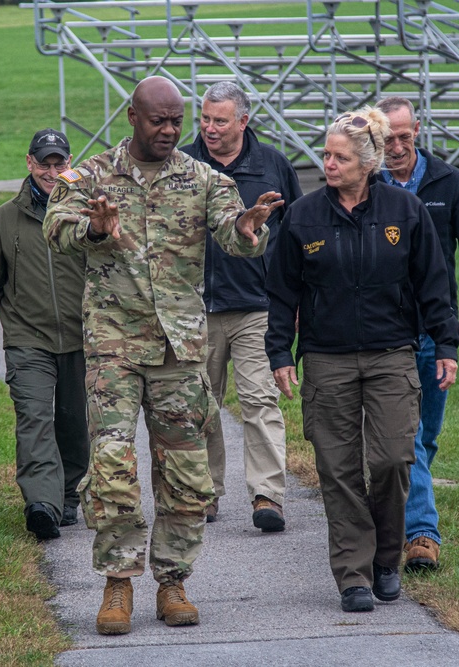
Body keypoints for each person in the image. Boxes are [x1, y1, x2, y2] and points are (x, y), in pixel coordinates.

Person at [43, 76, 283, 635]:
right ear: (133, 116)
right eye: (160, 120)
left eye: (178, 120)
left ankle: (173, 581)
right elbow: (56, 225)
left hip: (179, 351)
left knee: (184, 473)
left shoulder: (202, 178)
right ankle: (118, 584)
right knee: (112, 467)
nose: (171, 130)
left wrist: (249, 231)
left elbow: (233, 228)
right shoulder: (94, 173)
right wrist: (94, 230)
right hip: (114, 349)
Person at [265, 107, 459, 613]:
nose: (328, 164)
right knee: (339, 467)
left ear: (368, 162)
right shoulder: (303, 215)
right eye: (326, 155)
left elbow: (432, 283)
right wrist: (279, 352)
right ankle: (353, 573)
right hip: (326, 360)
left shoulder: (405, 211)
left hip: (392, 353)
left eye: (340, 157)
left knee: (394, 458)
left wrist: (446, 344)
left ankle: (385, 560)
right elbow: (282, 292)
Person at [374, 96, 459, 572]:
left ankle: (393, 510)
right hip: (386, 334)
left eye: (403, 136)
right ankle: (421, 534)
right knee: (406, 435)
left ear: (417, 131)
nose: (395, 146)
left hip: (436, 330)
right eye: (386, 138)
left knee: (424, 438)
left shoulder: (448, 184)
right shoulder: (364, 186)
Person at [179, 82, 303, 532]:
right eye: (205, 119)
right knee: (199, 404)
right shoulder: (183, 163)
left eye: (220, 120)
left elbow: (296, 238)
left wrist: (295, 302)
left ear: (243, 121)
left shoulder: (273, 165)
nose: (209, 128)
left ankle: (267, 494)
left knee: (259, 400)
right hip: (194, 308)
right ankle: (204, 493)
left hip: (257, 307)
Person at [0, 128, 89, 541]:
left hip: (84, 338)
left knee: (73, 422)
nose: (52, 172)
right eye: (44, 164)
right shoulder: (5, 219)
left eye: (59, 163)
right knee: (34, 420)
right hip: (27, 340)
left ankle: (69, 496)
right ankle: (41, 504)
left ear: (69, 164)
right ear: (29, 163)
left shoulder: (87, 212)